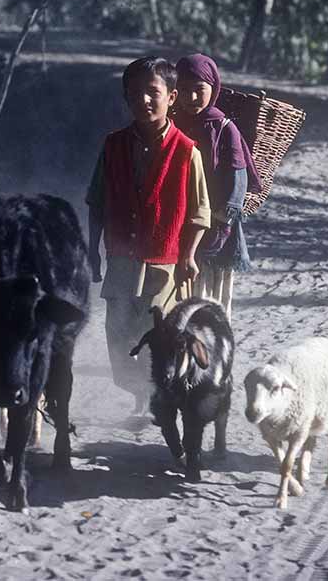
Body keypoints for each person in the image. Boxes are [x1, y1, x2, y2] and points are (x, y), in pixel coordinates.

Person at [86, 57, 211, 414]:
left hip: (165, 262)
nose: (143, 100)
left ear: (172, 97)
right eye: (134, 93)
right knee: (119, 334)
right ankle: (137, 389)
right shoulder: (112, 146)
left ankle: (157, 394)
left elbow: (200, 212)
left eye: (152, 92)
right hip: (121, 259)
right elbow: (97, 200)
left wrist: (188, 255)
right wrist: (93, 249)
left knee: (156, 334)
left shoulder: (187, 151)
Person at [172, 53, 261, 317]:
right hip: (181, 225)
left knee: (210, 301)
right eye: (183, 90)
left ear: (214, 88)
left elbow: (237, 184)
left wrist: (220, 225)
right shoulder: (174, 125)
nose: (191, 98)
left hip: (216, 228)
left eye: (198, 90)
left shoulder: (224, 128)